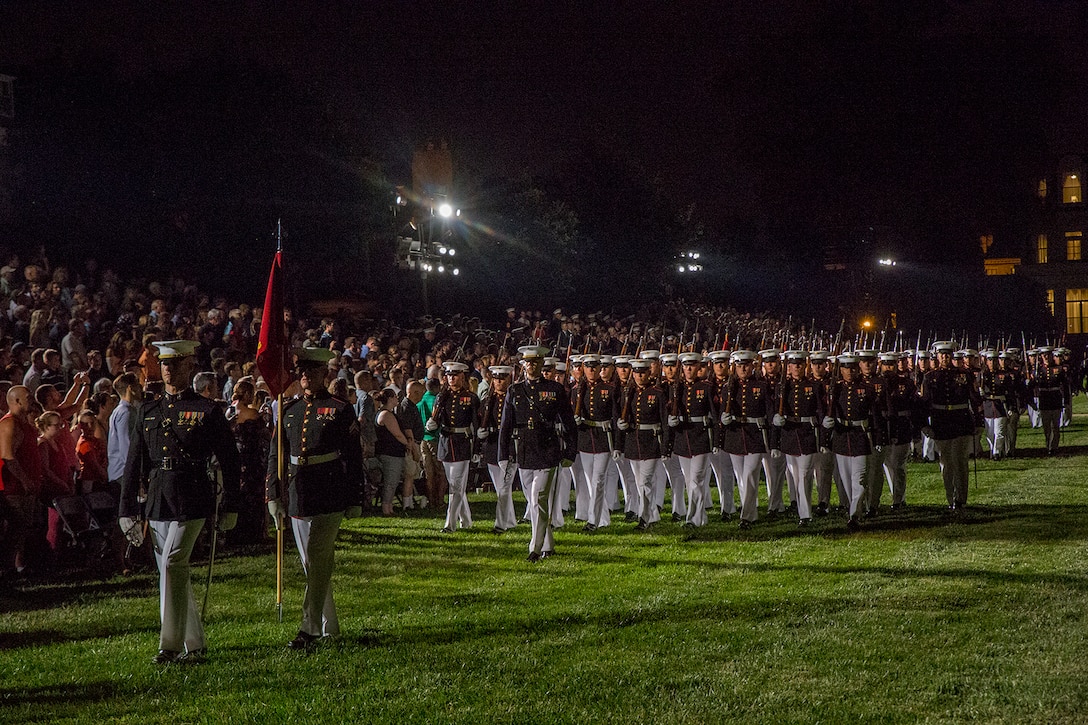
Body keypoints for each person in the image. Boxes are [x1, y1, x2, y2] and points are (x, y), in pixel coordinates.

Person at [119, 340, 241, 664]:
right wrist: (127, 508)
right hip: (159, 496)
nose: (169, 369)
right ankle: (196, 644)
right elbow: (134, 463)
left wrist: (232, 504)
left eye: (176, 363)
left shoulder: (208, 410)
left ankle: (169, 645)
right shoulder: (148, 410)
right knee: (171, 573)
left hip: (193, 494)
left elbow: (230, 461)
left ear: (189, 366)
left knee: (173, 563)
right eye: (164, 363)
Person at [266, 347, 364, 651]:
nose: (306, 377)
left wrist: (356, 496)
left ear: (325, 375)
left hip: (329, 489)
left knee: (318, 556)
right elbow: (276, 454)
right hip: (298, 491)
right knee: (314, 563)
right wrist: (272, 493)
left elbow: (354, 455)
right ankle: (329, 625)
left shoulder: (339, 408)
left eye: (313, 372)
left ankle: (309, 628)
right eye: (302, 372)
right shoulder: (289, 408)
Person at [498, 346, 576, 561]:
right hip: (524, 450)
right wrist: (503, 454)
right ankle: (548, 545)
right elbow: (506, 425)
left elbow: (568, 423)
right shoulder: (514, 391)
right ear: (523, 365)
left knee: (537, 499)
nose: (531, 366)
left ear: (542, 364)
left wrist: (570, 451)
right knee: (533, 502)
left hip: (547, 449)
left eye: (535, 362)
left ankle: (535, 547)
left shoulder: (555, 389)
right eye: (527, 362)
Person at [920, 342, 983, 511]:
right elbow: (925, 403)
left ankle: (961, 498)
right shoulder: (930, 377)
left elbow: (975, 399)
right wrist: (925, 425)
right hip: (941, 423)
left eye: (947, 354)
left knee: (961, 462)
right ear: (937, 356)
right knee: (946, 464)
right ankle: (951, 497)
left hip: (961, 421)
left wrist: (979, 421)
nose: (945, 357)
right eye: (942, 354)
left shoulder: (965, 375)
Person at [426, 361, 479, 533]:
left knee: (455, 486)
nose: (451, 378)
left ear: (462, 376)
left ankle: (450, 524)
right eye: (449, 375)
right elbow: (437, 417)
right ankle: (466, 520)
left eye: (455, 375)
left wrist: (477, 448)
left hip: (462, 442)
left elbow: (476, 425)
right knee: (457, 486)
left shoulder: (470, 398)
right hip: (445, 442)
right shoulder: (442, 397)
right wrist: (432, 424)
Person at [669, 352, 718, 528]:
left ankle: (693, 519)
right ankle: (701, 516)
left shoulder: (706, 387)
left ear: (698, 367)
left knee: (697, 480)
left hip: (700, 438)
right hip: (683, 439)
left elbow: (714, 414)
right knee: (690, 481)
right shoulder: (677, 388)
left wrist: (716, 441)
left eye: (692, 365)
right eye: (686, 366)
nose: (689, 369)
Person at [0, 386, 44, 577]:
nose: (32, 399)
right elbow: (8, 456)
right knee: (16, 527)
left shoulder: (24, 423)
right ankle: (7, 567)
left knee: (23, 527)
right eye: (28, 397)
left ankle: (15, 566)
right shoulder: (9, 424)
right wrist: (24, 480)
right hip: (14, 488)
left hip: (26, 487)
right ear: (16, 401)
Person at [228, 380, 270, 546]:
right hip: (251, 459)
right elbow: (263, 434)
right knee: (253, 495)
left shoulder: (229, 411)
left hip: (237, 458)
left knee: (239, 494)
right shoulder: (252, 413)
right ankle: (252, 532)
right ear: (246, 394)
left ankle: (236, 531)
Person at [478, 364, 516, 532]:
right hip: (493, 445)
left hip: (509, 446)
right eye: (496, 379)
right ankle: (511, 520)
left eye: (502, 379)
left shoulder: (515, 399)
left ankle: (501, 524)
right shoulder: (488, 400)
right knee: (500, 486)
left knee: (504, 487)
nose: (499, 382)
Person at [374, 389, 408, 516]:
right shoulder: (386, 415)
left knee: (392, 481)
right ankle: (386, 508)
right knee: (391, 481)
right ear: (389, 399)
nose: (397, 399)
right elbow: (397, 434)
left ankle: (389, 506)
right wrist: (407, 443)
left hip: (392, 452)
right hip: (390, 453)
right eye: (394, 397)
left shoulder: (386, 413)